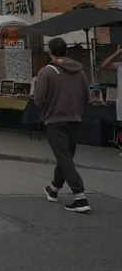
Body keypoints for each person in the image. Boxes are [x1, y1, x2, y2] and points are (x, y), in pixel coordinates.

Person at [34, 37, 91, 213]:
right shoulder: (80, 72)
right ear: (66, 52)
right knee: (65, 156)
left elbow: (39, 100)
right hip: (75, 118)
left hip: (55, 120)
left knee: (64, 157)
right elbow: (88, 97)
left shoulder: (46, 72)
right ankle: (54, 189)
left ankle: (80, 197)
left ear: (50, 52)